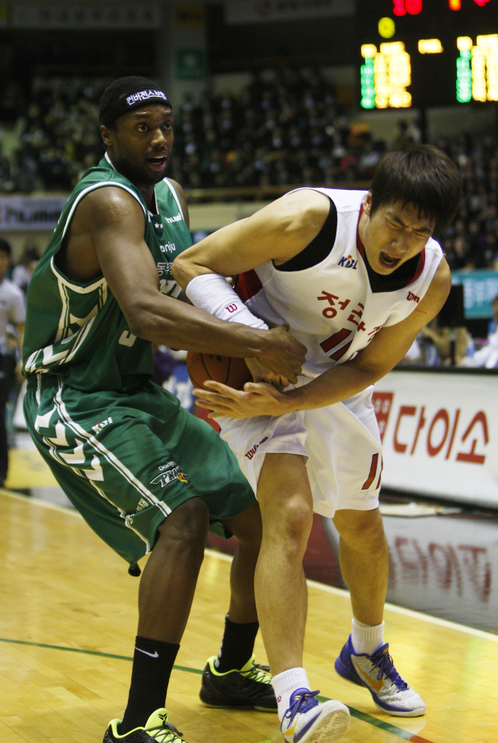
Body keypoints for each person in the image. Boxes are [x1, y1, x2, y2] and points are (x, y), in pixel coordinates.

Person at [21, 77, 311, 743]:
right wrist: (253, 341)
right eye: (140, 127)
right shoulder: (107, 202)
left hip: (136, 393)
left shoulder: (171, 196)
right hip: (72, 395)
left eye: (165, 125)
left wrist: (254, 315)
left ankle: (228, 671)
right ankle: (135, 722)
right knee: (180, 521)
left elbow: (196, 278)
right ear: (106, 136)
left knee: (259, 519)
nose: (157, 138)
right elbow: (148, 312)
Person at [172, 145, 462, 723]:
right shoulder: (308, 218)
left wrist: (295, 397)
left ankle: (367, 649)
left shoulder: (431, 279)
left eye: (418, 232)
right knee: (293, 514)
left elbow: (369, 367)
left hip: (333, 381)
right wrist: (254, 339)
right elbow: (191, 265)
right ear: (370, 205)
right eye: (394, 223)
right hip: (251, 363)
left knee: (361, 526)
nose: (401, 242)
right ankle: (294, 695)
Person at [0, 237, 25, 486]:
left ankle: (2, 472)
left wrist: (22, 360)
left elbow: (22, 329)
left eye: (2, 257)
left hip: (3, 359)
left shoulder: (13, 294)